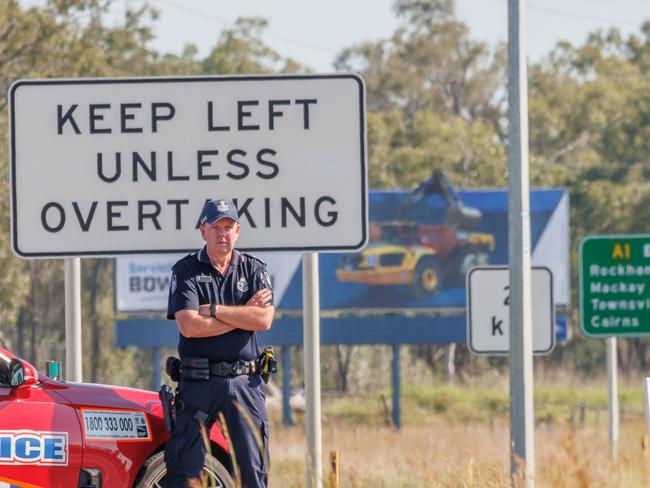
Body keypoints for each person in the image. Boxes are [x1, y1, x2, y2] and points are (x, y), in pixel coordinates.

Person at [165, 198, 275, 488]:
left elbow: (264, 320)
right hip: (200, 383)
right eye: (215, 227)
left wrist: (214, 310)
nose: (222, 233)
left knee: (253, 471)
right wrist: (243, 315)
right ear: (203, 231)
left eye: (228, 227)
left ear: (237, 231)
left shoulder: (253, 269)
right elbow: (189, 326)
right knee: (186, 471)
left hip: (245, 383)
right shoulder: (186, 270)